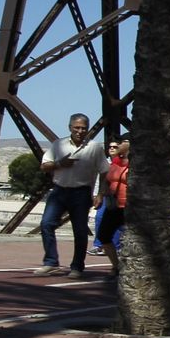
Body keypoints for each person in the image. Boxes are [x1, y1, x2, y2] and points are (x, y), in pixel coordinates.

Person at [36, 113, 110, 279]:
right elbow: (44, 166)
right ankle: (51, 262)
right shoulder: (58, 145)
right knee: (46, 224)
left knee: (80, 230)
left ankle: (77, 267)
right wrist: (60, 163)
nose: (80, 131)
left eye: (83, 128)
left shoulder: (94, 147)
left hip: (81, 192)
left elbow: (104, 171)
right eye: (76, 127)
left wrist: (100, 194)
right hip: (59, 190)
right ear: (70, 127)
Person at [94, 139, 130, 277]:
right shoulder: (115, 162)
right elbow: (107, 180)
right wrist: (100, 195)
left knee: (130, 239)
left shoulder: (137, 164)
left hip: (128, 207)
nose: (117, 146)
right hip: (113, 205)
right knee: (103, 235)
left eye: (121, 143)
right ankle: (116, 265)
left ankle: (130, 266)